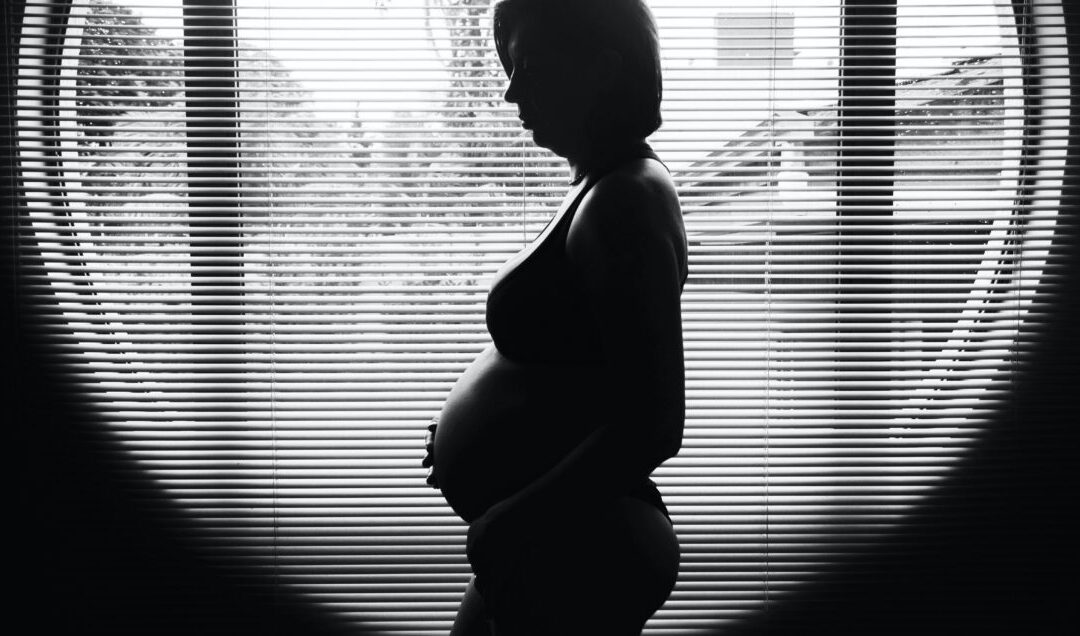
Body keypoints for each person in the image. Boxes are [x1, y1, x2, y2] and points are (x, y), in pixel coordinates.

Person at [422, 0, 687, 633]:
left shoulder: (624, 200)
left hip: (580, 546)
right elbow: (569, 375)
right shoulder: (602, 185)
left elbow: (651, 425)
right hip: (558, 541)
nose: (511, 91)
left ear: (600, 68)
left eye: (529, 66)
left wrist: (515, 517)